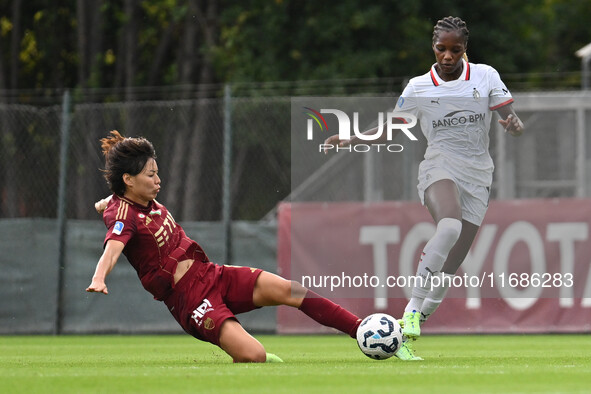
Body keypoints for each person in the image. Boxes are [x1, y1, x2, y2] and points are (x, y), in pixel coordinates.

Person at [324, 16, 524, 360]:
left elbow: (509, 116)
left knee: (451, 266)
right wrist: (353, 139)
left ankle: (407, 330)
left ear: (465, 49)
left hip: (478, 175)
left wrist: (514, 124)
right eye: (441, 48)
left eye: (455, 49)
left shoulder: (486, 76)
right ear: (433, 47)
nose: (447, 56)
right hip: (440, 165)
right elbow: (394, 126)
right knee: (448, 226)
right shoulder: (418, 86)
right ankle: (413, 309)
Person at [87, 130, 362, 363]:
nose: (158, 180)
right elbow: (113, 248)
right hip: (190, 300)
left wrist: (104, 203)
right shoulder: (123, 216)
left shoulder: (134, 201)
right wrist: (99, 277)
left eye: (157, 173)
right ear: (128, 179)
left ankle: (361, 329)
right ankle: (259, 358)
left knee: (292, 290)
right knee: (253, 355)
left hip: (211, 274)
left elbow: (112, 201)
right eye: (150, 175)